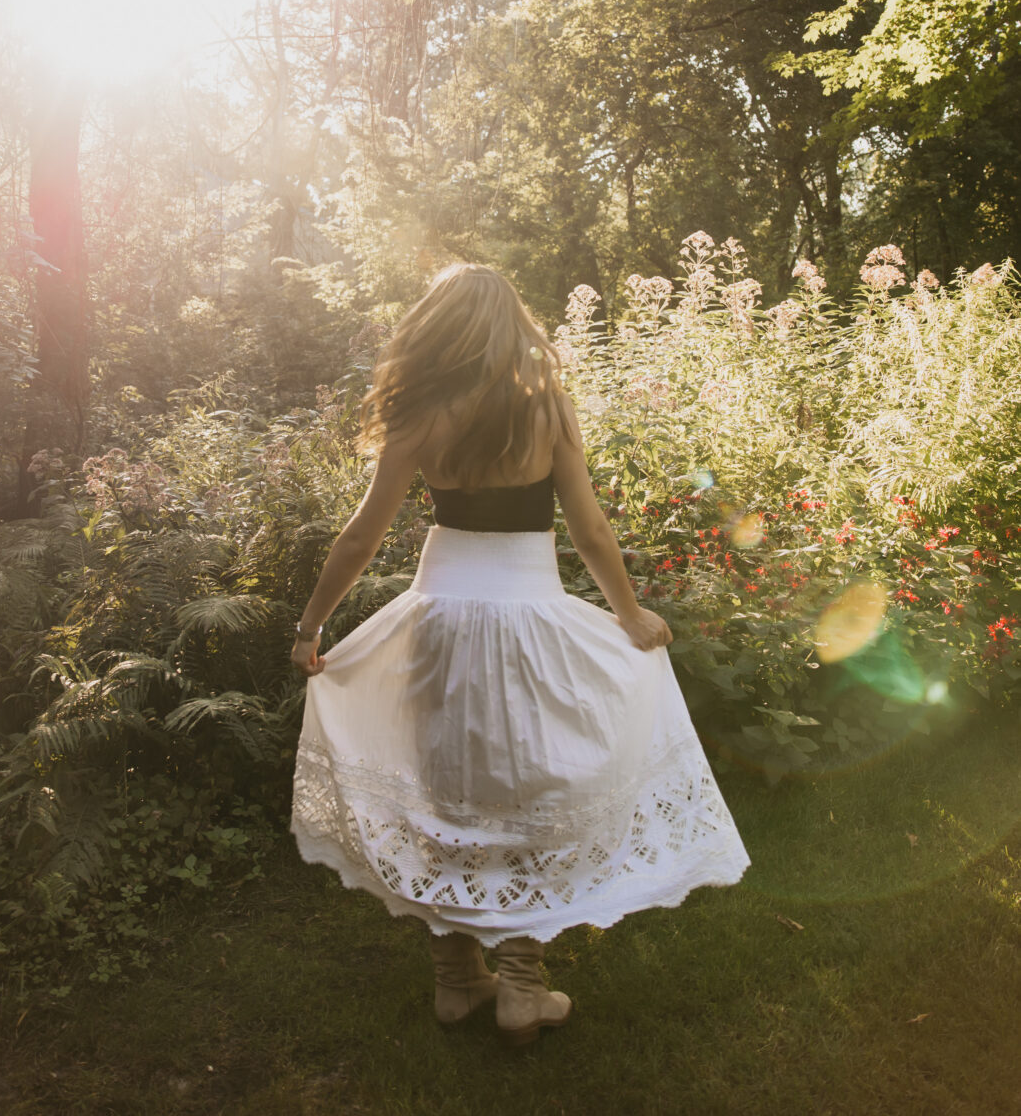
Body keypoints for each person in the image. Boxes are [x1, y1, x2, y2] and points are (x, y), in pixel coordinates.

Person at [290, 264, 749, 1046]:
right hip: (530, 611)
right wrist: (629, 616)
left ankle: (455, 981)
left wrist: (310, 627)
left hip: (436, 617)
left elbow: (362, 535)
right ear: (513, 326)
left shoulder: (418, 414)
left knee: (445, 789)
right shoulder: (545, 409)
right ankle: (518, 986)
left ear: (438, 328)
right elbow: (591, 531)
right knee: (529, 785)